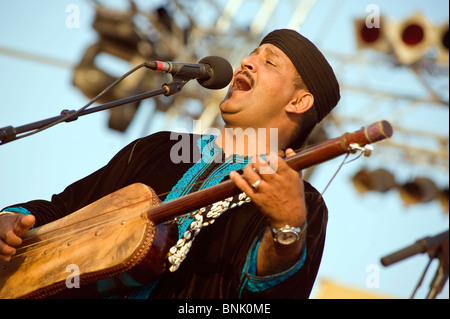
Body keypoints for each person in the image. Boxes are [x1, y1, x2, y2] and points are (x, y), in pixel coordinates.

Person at [0, 29, 340, 299]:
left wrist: (287, 226)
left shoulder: (304, 205)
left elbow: (266, 297)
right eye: (251, 53)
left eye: (270, 62)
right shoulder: (159, 148)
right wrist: (10, 220)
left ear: (299, 101)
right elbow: (64, 211)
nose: (246, 62)